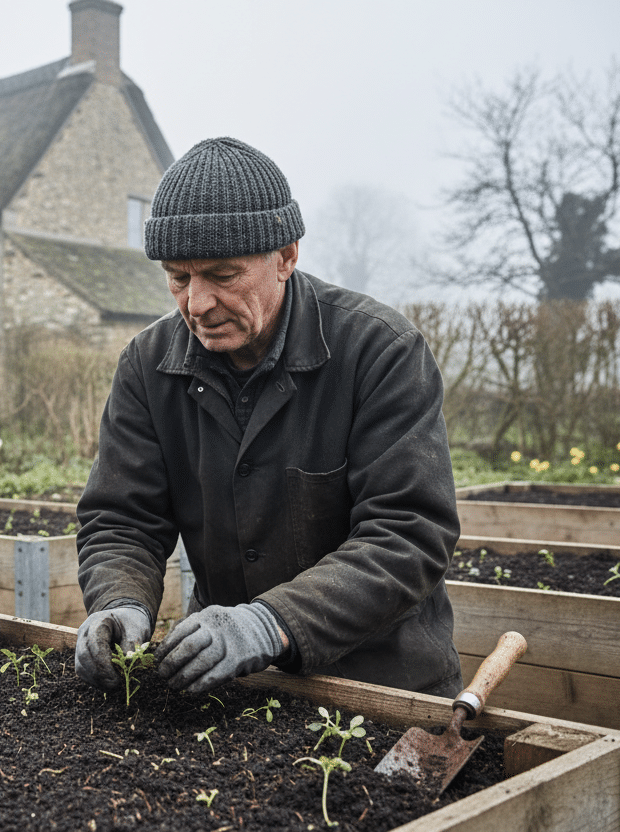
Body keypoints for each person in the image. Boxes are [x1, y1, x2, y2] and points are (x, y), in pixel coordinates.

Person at [74, 137, 462, 698]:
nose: (197, 304)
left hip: (385, 685)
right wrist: (120, 601)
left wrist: (271, 622)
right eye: (178, 278)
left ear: (286, 257)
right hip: (229, 684)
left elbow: (408, 533)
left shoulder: (379, 351)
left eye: (222, 274)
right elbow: (121, 517)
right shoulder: (148, 364)